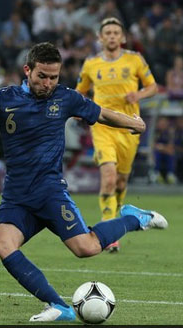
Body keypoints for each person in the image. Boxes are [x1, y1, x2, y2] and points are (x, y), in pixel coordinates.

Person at [0, 42, 168, 322]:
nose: (48, 83)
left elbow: (102, 113)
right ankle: (57, 306)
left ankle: (133, 218)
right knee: (3, 244)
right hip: (16, 196)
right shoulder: (3, 99)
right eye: (42, 76)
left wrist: (133, 123)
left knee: (86, 249)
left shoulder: (66, 98)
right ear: (27, 70)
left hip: (50, 193)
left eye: (54, 77)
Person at [75, 17, 158, 253]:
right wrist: (78, 111)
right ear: (100, 38)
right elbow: (79, 92)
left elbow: (152, 86)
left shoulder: (135, 59)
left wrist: (138, 95)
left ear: (122, 38)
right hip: (102, 126)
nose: (111, 36)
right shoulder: (91, 64)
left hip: (129, 127)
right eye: (107, 33)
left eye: (115, 33)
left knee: (121, 181)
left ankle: (117, 219)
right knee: (109, 177)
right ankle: (109, 234)